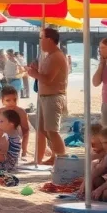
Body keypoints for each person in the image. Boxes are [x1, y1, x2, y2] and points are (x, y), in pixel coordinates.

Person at [27, 27, 68, 165]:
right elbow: (45, 75)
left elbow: (48, 79)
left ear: (49, 40)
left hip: (53, 97)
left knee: (52, 131)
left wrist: (34, 74)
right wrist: (36, 70)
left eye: (41, 38)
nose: (39, 41)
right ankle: (51, 158)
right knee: (43, 130)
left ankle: (61, 159)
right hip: (45, 97)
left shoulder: (56, 56)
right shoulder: (49, 55)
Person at [77, 125, 107, 203]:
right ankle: (92, 196)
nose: (104, 146)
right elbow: (98, 170)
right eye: (102, 143)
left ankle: (98, 197)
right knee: (95, 179)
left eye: (106, 142)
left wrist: (100, 189)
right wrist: (85, 183)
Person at [0, 86, 30, 159]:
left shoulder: (20, 111)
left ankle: (5, 147)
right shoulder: (1, 111)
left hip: (15, 134)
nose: (12, 103)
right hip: (3, 134)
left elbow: (26, 131)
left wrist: (24, 150)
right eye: (8, 100)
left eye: (14, 100)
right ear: (2, 100)